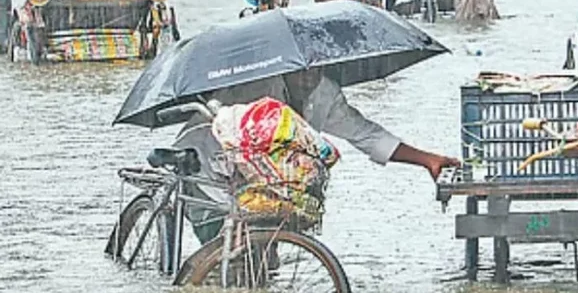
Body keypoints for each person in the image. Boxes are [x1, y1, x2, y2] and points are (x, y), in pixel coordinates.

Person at [174, 69, 460, 242]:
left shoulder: (324, 94)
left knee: (264, 249)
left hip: (257, 180)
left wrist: (427, 160)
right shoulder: (254, 88)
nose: (309, 76)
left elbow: (366, 135)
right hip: (207, 164)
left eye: (316, 68)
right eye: (300, 70)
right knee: (220, 254)